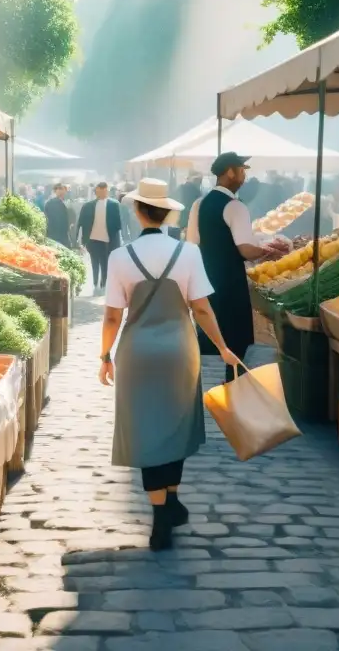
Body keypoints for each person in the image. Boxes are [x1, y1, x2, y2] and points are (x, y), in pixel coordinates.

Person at [98, 178, 239, 551]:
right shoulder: (189, 254)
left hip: (137, 353)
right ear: (165, 213)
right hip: (180, 351)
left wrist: (104, 356)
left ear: (138, 210)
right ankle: (170, 503)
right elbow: (202, 308)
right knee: (176, 425)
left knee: (146, 429)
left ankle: (163, 512)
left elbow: (113, 316)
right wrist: (223, 348)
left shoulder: (119, 257)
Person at [187, 153, 284, 382]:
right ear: (230, 172)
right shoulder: (235, 206)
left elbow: (192, 242)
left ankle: (205, 392)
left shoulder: (199, 204)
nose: (244, 175)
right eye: (242, 170)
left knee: (210, 336)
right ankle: (233, 393)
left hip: (206, 280)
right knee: (236, 344)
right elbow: (246, 250)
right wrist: (269, 251)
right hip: (231, 284)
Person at [77, 182, 123, 294]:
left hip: (108, 239)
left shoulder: (114, 204)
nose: (102, 193)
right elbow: (81, 223)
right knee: (94, 262)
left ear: (107, 191)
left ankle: (103, 284)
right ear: (96, 191)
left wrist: (118, 241)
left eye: (104, 190)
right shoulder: (88, 206)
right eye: (99, 190)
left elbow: (118, 224)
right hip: (92, 238)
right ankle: (95, 283)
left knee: (105, 262)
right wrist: (80, 239)